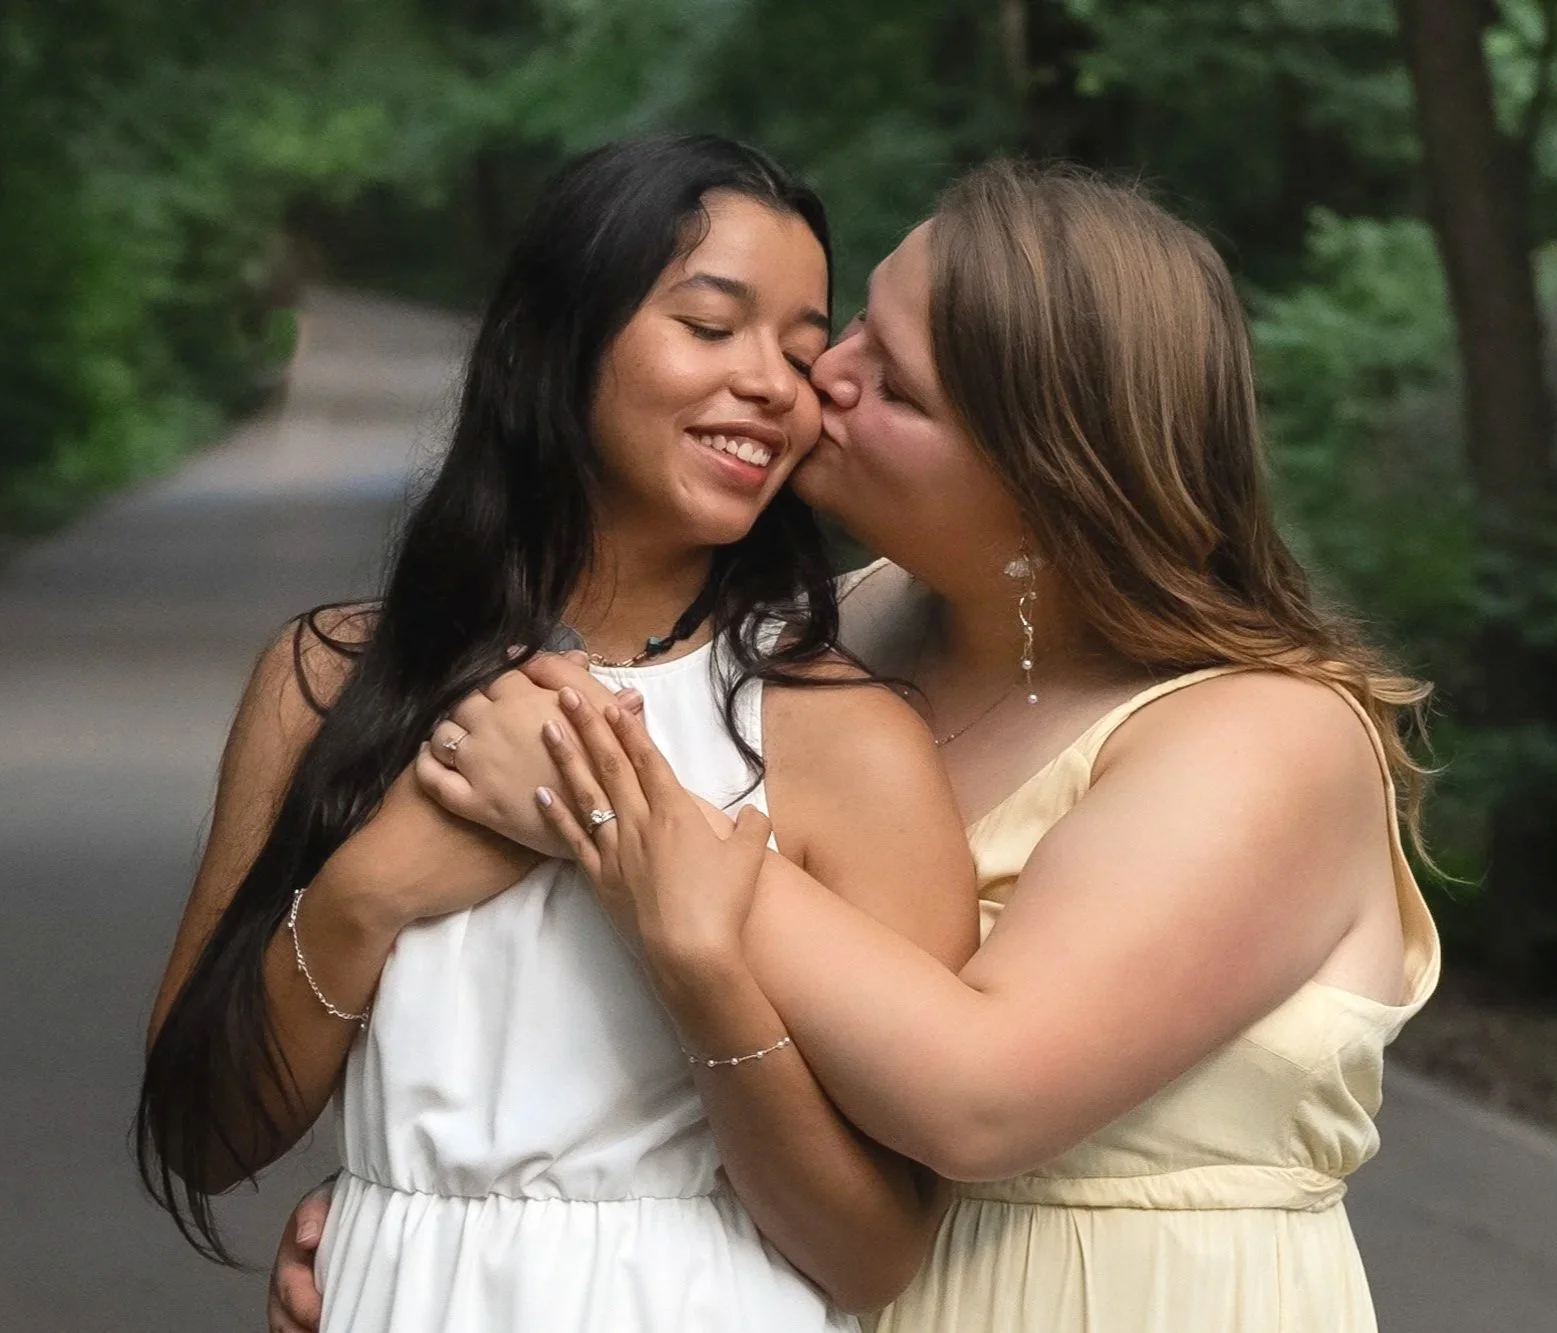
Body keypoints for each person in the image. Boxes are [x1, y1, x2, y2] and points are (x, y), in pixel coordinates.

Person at [273, 159, 1440, 1332]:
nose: (815, 375)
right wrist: (431, 1219)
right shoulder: (842, 629)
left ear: (1048, 478)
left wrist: (610, 804)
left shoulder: (1264, 736)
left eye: (894, 384)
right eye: (857, 328)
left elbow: (984, 1101)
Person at [139, 135, 978, 1333]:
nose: (773, 385)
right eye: (709, 325)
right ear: (552, 337)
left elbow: (874, 1253)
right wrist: (368, 891)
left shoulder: (841, 736)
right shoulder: (329, 684)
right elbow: (203, 1137)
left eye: (802, 352)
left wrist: (695, 962)